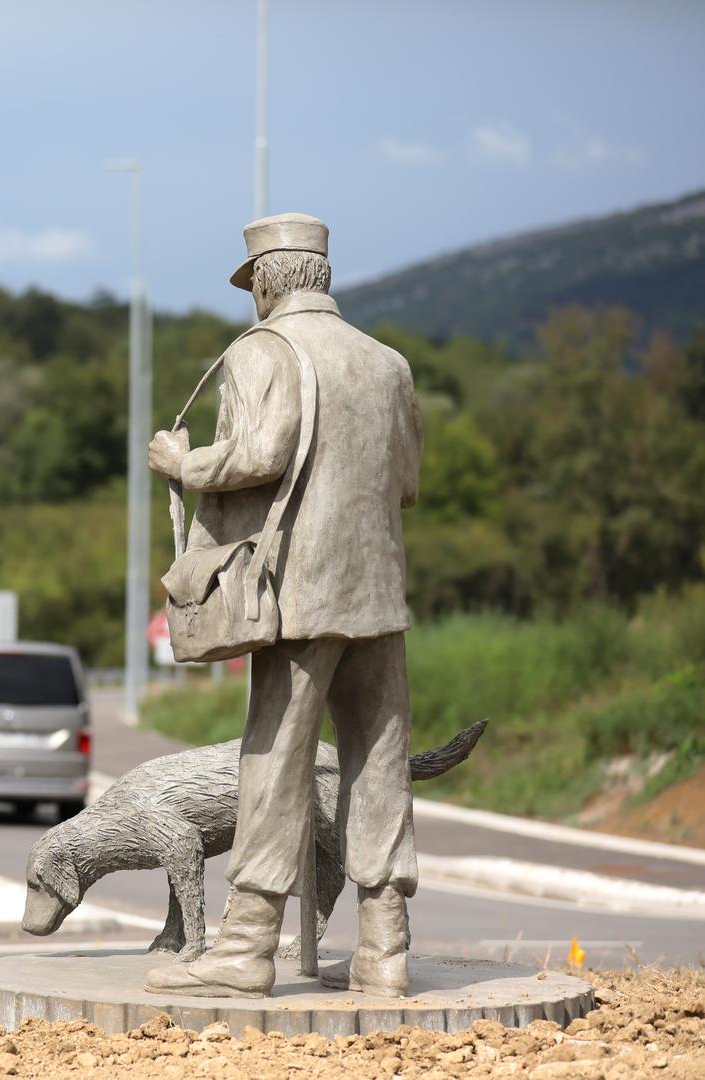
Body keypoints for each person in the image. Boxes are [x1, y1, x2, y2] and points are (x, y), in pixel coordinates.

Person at [144, 212, 424, 999]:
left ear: (268, 281)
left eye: (253, 286)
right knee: (380, 759)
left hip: (295, 593)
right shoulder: (388, 362)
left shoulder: (261, 353)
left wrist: (183, 461)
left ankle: (246, 945)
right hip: (377, 589)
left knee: (274, 758)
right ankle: (385, 947)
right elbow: (407, 482)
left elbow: (259, 455)